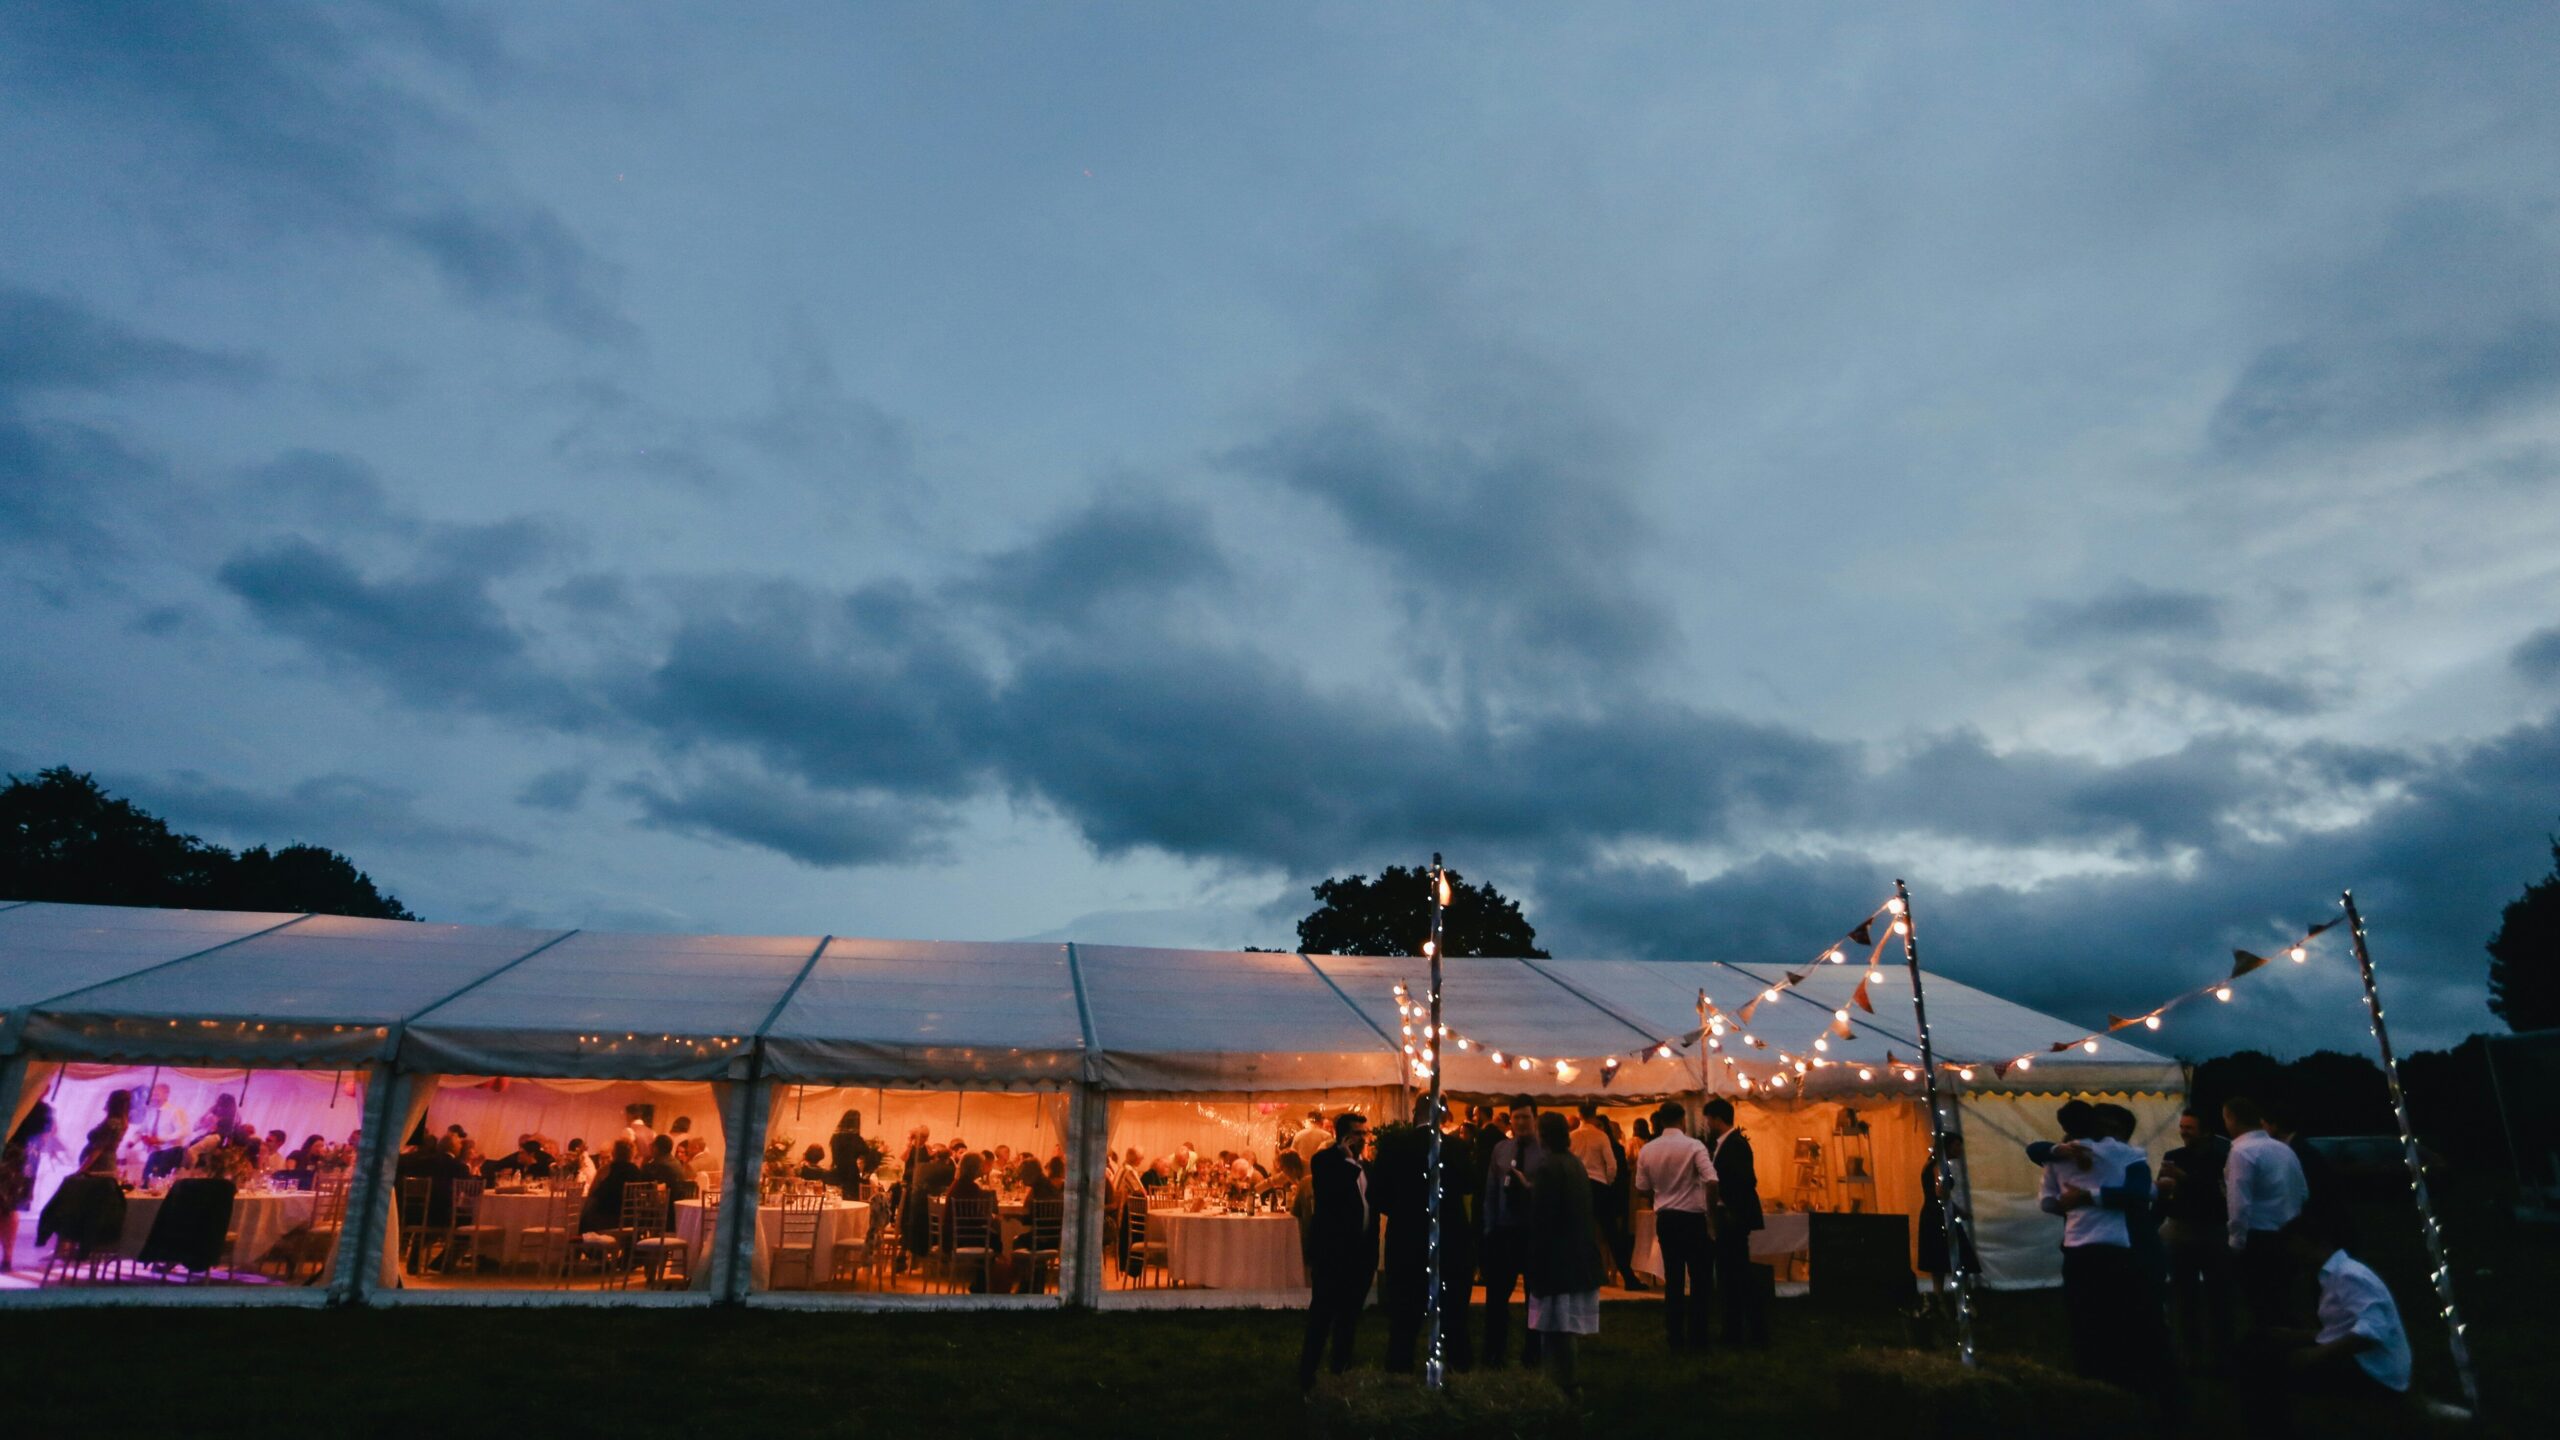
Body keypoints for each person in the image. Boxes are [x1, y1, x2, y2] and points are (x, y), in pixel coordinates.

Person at [2237, 1214, 2414, 1436]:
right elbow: (2346, 1328)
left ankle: (2269, 1429)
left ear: (2319, 1243)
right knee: (2258, 1342)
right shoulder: (2335, 1274)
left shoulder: (2349, 1275)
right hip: (2364, 1361)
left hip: (2374, 1372)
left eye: (2297, 1245)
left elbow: (2371, 1333)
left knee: (2265, 1365)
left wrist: (2314, 1355)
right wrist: (2298, 1336)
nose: (2293, 1253)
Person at [1525, 1111, 1605, 1397]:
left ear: (1543, 1135)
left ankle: (1560, 1384)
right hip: (1577, 1253)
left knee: (1555, 1327)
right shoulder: (1575, 1164)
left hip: (1557, 1259)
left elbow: (1543, 1217)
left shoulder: (1548, 1167)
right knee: (1564, 1326)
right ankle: (1565, 1382)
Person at [1297, 1111, 1377, 1392]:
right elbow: (1333, 1193)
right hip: (1333, 1252)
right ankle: (1307, 1373)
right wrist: (1348, 1159)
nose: (1363, 1138)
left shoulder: (1367, 1166)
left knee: (1350, 1316)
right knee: (1322, 1314)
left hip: (1361, 1253)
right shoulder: (1325, 1161)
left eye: (1365, 1133)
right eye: (1357, 1133)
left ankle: (1341, 1370)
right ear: (1343, 1135)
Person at [1634, 1101, 1717, 1351]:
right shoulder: (1694, 1146)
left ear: (1660, 1121)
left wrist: (1660, 1195)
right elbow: (1712, 1180)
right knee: (1700, 1278)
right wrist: (1711, 1215)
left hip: (1667, 1218)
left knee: (1673, 1278)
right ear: (1682, 1120)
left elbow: (1641, 1187)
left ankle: (1675, 1335)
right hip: (1693, 1218)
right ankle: (1698, 1336)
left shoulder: (1648, 1149)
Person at [2223, 1095, 2307, 1329]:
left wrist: (2236, 1242)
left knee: (2260, 1306)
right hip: (2290, 1235)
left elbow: (2239, 1203)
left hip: (2259, 1239)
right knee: (2282, 1301)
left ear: (2231, 1118)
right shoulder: (2284, 1149)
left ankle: (2272, 1346)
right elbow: (2303, 1191)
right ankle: (2287, 1343)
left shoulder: (2242, 1152)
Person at [2158, 1106, 2234, 1362]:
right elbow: (2164, 1197)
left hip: (2213, 1231)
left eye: (2189, 1128)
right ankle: (2191, 1353)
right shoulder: (2173, 1156)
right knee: (2183, 1295)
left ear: (2206, 1132)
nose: (2183, 1132)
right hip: (2180, 1231)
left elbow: (2222, 1196)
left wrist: (2185, 1179)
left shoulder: (2222, 1158)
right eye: (2182, 1127)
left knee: (2218, 1295)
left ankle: (2222, 1353)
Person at [1479, 1102, 1545, 1369]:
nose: (1520, 1123)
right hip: (1504, 1231)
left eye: (1525, 1117)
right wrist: (1489, 1227)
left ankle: (1533, 1353)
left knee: (1535, 1297)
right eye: (1516, 1118)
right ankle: (1494, 1353)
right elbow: (1491, 1190)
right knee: (1497, 1296)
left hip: (1534, 1231)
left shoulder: (1544, 1151)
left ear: (1535, 1118)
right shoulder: (1501, 1149)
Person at [1702, 1098, 1766, 1347]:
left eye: (1708, 1120)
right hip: (1730, 1217)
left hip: (1733, 1218)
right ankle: (1736, 1329)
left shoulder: (1735, 1145)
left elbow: (1745, 1180)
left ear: (1717, 1119)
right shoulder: (1726, 1144)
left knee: (1736, 1274)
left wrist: (1727, 1204)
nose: (1707, 1125)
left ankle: (1744, 1329)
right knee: (1731, 1274)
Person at [3, 1101, 65, 1271]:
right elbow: (50, 1131)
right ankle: (7, 1256)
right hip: (26, 1161)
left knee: (7, 1207)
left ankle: (7, 1256)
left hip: (12, 1159)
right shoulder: (43, 1109)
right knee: (10, 1208)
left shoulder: (22, 1102)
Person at [579, 1138, 643, 1235]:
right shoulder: (637, 1173)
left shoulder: (605, 1170)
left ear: (614, 1153)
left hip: (605, 1220)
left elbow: (592, 1194)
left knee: (586, 1216)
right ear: (632, 1154)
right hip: (630, 1222)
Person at [829, 1109, 873, 1196]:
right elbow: (867, 1152)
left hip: (837, 1171)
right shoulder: (855, 1139)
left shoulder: (835, 1137)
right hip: (851, 1174)